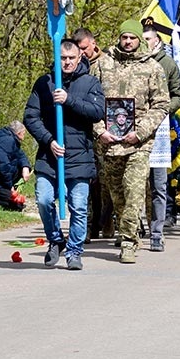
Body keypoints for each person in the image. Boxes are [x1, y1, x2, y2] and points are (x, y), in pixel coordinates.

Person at [24, 38, 105, 271]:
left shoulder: (90, 82)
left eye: (71, 58)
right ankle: (55, 239)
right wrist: (49, 140)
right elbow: (30, 117)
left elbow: (98, 112)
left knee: (78, 206)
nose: (67, 62)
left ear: (79, 58)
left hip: (79, 156)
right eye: (63, 58)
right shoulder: (44, 83)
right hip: (50, 157)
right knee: (43, 199)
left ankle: (74, 251)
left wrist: (69, 100)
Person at [93, 20, 169, 264]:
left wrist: (142, 131)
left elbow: (161, 104)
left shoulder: (152, 68)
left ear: (140, 40)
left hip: (138, 143)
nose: (127, 42)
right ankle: (129, 230)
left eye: (132, 38)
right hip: (109, 142)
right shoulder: (104, 64)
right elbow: (91, 101)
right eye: (124, 37)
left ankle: (128, 242)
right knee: (118, 196)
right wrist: (99, 130)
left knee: (135, 190)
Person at [142, 24, 180, 252]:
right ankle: (134, 228)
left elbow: (179, 95)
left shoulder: (167, 64)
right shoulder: (130, 63)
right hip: (134, 131)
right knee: (135, 185)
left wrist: (165, 109)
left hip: (158, 131)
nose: (142, 42)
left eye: (147, 38)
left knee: (158, 185)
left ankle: (156, 232)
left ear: (157, 41)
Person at [74, 27, 115, 239]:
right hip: (82, 130)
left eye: (84, 48)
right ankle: (89, 226)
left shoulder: (107, 63)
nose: (82, 53)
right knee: (88, 181)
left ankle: (107, 223)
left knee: (106, 181)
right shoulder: (73, 65)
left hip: (104, 129)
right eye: (78, 49)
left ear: (93, 43)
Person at [0, 121, 32, 210]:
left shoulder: (11, 140)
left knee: (18, 202)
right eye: (24, 133)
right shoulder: (7, 141)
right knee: (17, 205)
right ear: (19, 133)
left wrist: (25, 167)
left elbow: (21, 155)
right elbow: (4, 167)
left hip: (0, 181)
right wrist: (10, 187)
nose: (24, 136)